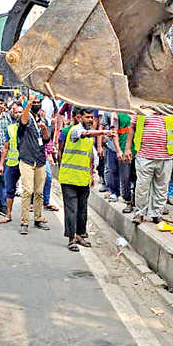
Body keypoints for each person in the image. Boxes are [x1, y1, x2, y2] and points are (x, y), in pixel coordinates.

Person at [60, 108, 115, 251]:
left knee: (82, 210)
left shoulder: (90, 136)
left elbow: (90, 156)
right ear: (79, 118)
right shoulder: (75, 131)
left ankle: (80, 235)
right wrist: (103, 132)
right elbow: (84, 133)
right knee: (71, 210)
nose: (91, 120)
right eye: (87, 117)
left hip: (83, 178)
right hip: (69, 177)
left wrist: (91, 174)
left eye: (91, 117)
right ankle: (71, 238)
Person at [133, 111, 173, 224]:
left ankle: (156, 214)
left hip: (166, 157)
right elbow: (132, 129)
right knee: (142, 186)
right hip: (144, 156)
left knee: (161, 188)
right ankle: (139, 213)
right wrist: (128, 148)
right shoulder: (142, 111)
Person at [17, 94, 51, 235]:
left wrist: (44, 129)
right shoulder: (27, 117)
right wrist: (28, 104)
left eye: (38, 102)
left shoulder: (43, 119)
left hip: (40, 159)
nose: (36, 104)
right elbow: (23, 121)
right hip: (27, 159)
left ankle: (38, 218)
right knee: (27, 191)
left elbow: (46, 139)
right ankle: (24, 222)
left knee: (39, 192)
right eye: (34, 102)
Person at [0, 103, 23, 224]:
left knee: (29, 190)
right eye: (16, 112)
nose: (18, 114)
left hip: (26, 162)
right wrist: (1, 164)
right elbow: (5, 147)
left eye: (20, 112)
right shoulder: (10, 128)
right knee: (9, 189)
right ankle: (8, 214)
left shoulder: (30, 127)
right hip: (12, 163)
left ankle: (26, 218)